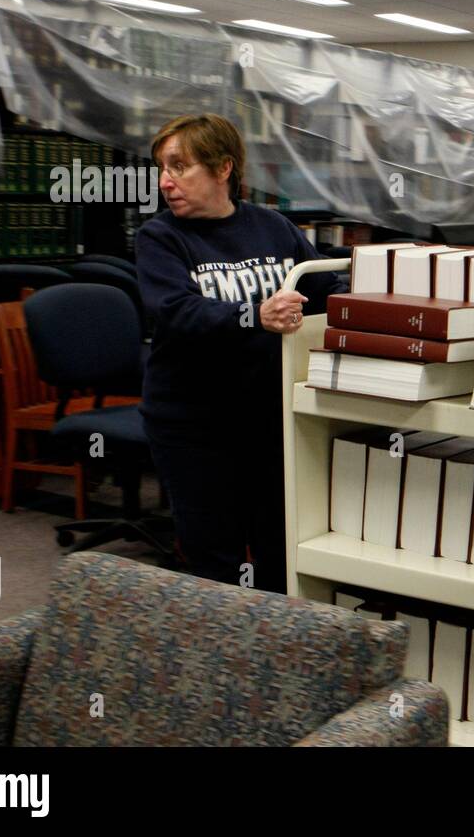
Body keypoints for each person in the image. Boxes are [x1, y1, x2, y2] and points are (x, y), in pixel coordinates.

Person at [136, 113, 345, 593]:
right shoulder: (160, 238)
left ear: (222, 168)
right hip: (192, 424)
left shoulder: (273, 227)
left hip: (268, 420)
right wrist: (254, 315)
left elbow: (324, 287)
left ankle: (276, 657)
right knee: (214, 556)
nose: (165, 181)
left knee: (278, 544)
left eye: (179, 166)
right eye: (161, 168)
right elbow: (177, 312)